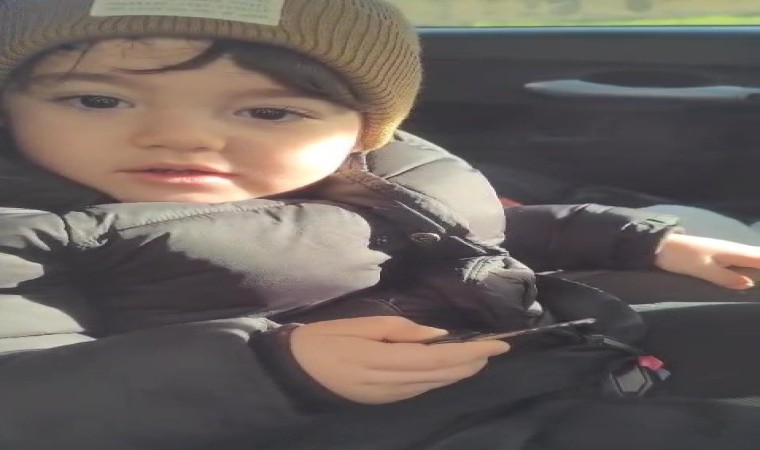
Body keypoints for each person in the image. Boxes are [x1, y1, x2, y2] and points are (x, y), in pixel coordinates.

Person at [2, 1, 760, 449]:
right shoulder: (29, 227)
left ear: (362, 129)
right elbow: (27, 397)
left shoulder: (372, 175)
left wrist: (642, 240)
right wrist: (271, 369)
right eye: (97, 100)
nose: (180, 136)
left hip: (527, 347)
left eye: (268, 111)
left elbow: (472, 233)